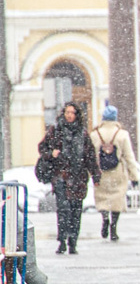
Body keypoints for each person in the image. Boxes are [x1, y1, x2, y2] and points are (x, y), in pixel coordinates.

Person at [37, 102, 100, 254]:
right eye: (67, 112)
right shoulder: (56, 131)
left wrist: (96, 175)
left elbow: (90, 156)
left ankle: (73, 241)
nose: (69, 115)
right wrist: (51, 153)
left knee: (75, 211)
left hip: (78, 179)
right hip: (61, 177)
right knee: (63, 210)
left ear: (77, 115)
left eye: (72, 112)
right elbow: (42, 147)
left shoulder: (83, 134)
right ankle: (62, 241)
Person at [90, 104, 139, 242]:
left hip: (101, 173)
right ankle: (113, 227)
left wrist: (90, 174)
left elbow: (91, 157)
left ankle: (104, 217)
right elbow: (129, 157)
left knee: (102, 199)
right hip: (118, 173)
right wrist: (134, 176)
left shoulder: (95, 135)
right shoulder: (122, 135)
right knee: (116, 200)